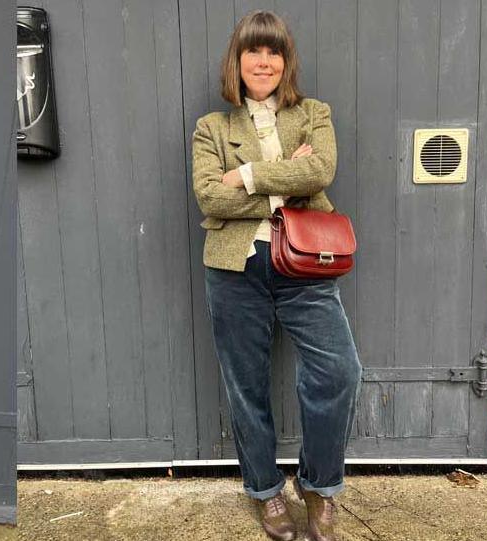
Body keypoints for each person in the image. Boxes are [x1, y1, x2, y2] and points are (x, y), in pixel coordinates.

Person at [191, 11, 361, 541]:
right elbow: (207, 196)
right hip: (235, 270)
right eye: (253, 51)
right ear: (236, 61)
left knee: (338, 373)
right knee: (247, 388)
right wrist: (286, 184)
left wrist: (244, 176)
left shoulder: (312, 113)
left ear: (285, 62)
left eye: (273, 52)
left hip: (306, 265)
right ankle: (265, 492)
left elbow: (320, 171)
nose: (263, 62)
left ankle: (319, 486)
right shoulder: (211, 128)